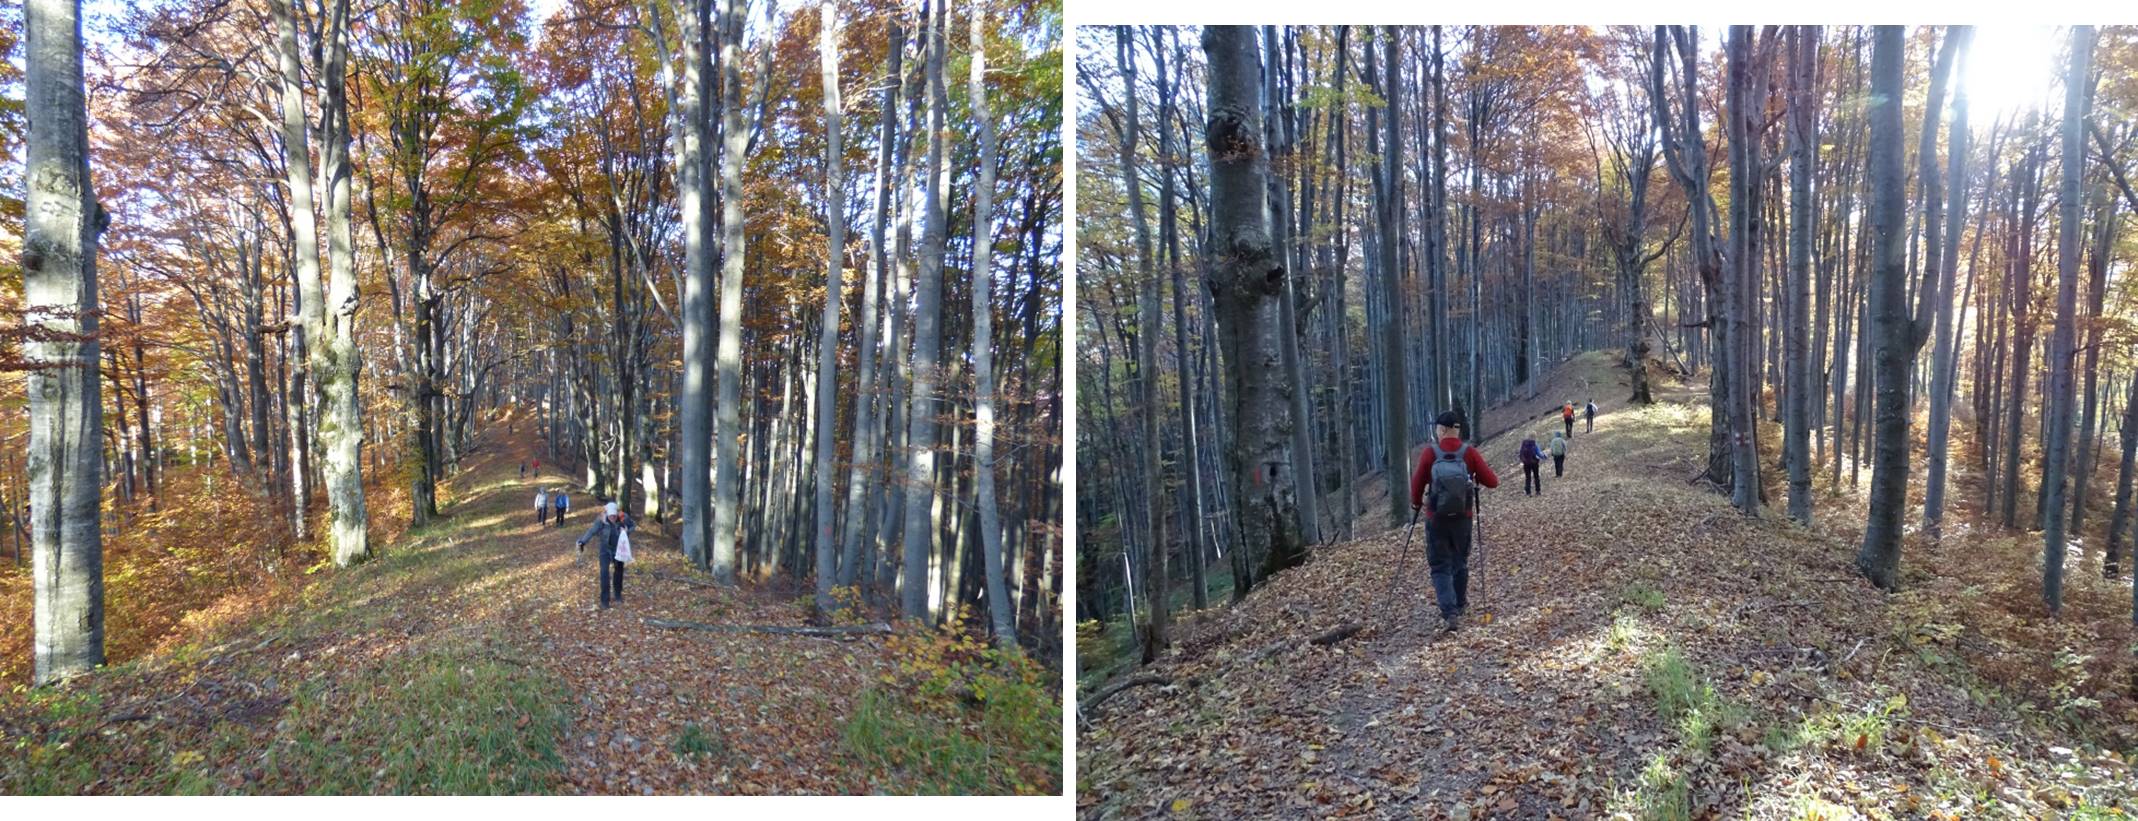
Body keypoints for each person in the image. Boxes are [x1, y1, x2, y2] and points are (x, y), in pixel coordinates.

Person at [1409, 411, 1500, 633]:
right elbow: (1492, 481)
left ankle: (1449, 612)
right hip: (1463, 518)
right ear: (1457, 430)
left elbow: (1417, 483)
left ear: (1441, 430)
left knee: (1440, 565)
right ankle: (1460, 604)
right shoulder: (1469, 452)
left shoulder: (1430, 452)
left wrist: (1416, 504)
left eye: (1437, 429)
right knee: (1460, 561)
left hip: (1436, 518)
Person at [575, 501, 635, 609]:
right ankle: (605, 601)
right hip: (605, 549)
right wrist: (583, 542)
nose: (612, 518)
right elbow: (592, 531)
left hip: (619, 549)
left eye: (614, 516)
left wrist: (627, 531)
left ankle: (617, 594)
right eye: (610, 516)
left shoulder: (623, 517)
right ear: (607, 514)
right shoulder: (601, 520)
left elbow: (633, 526)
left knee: (619, 572)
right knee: (604, 574)